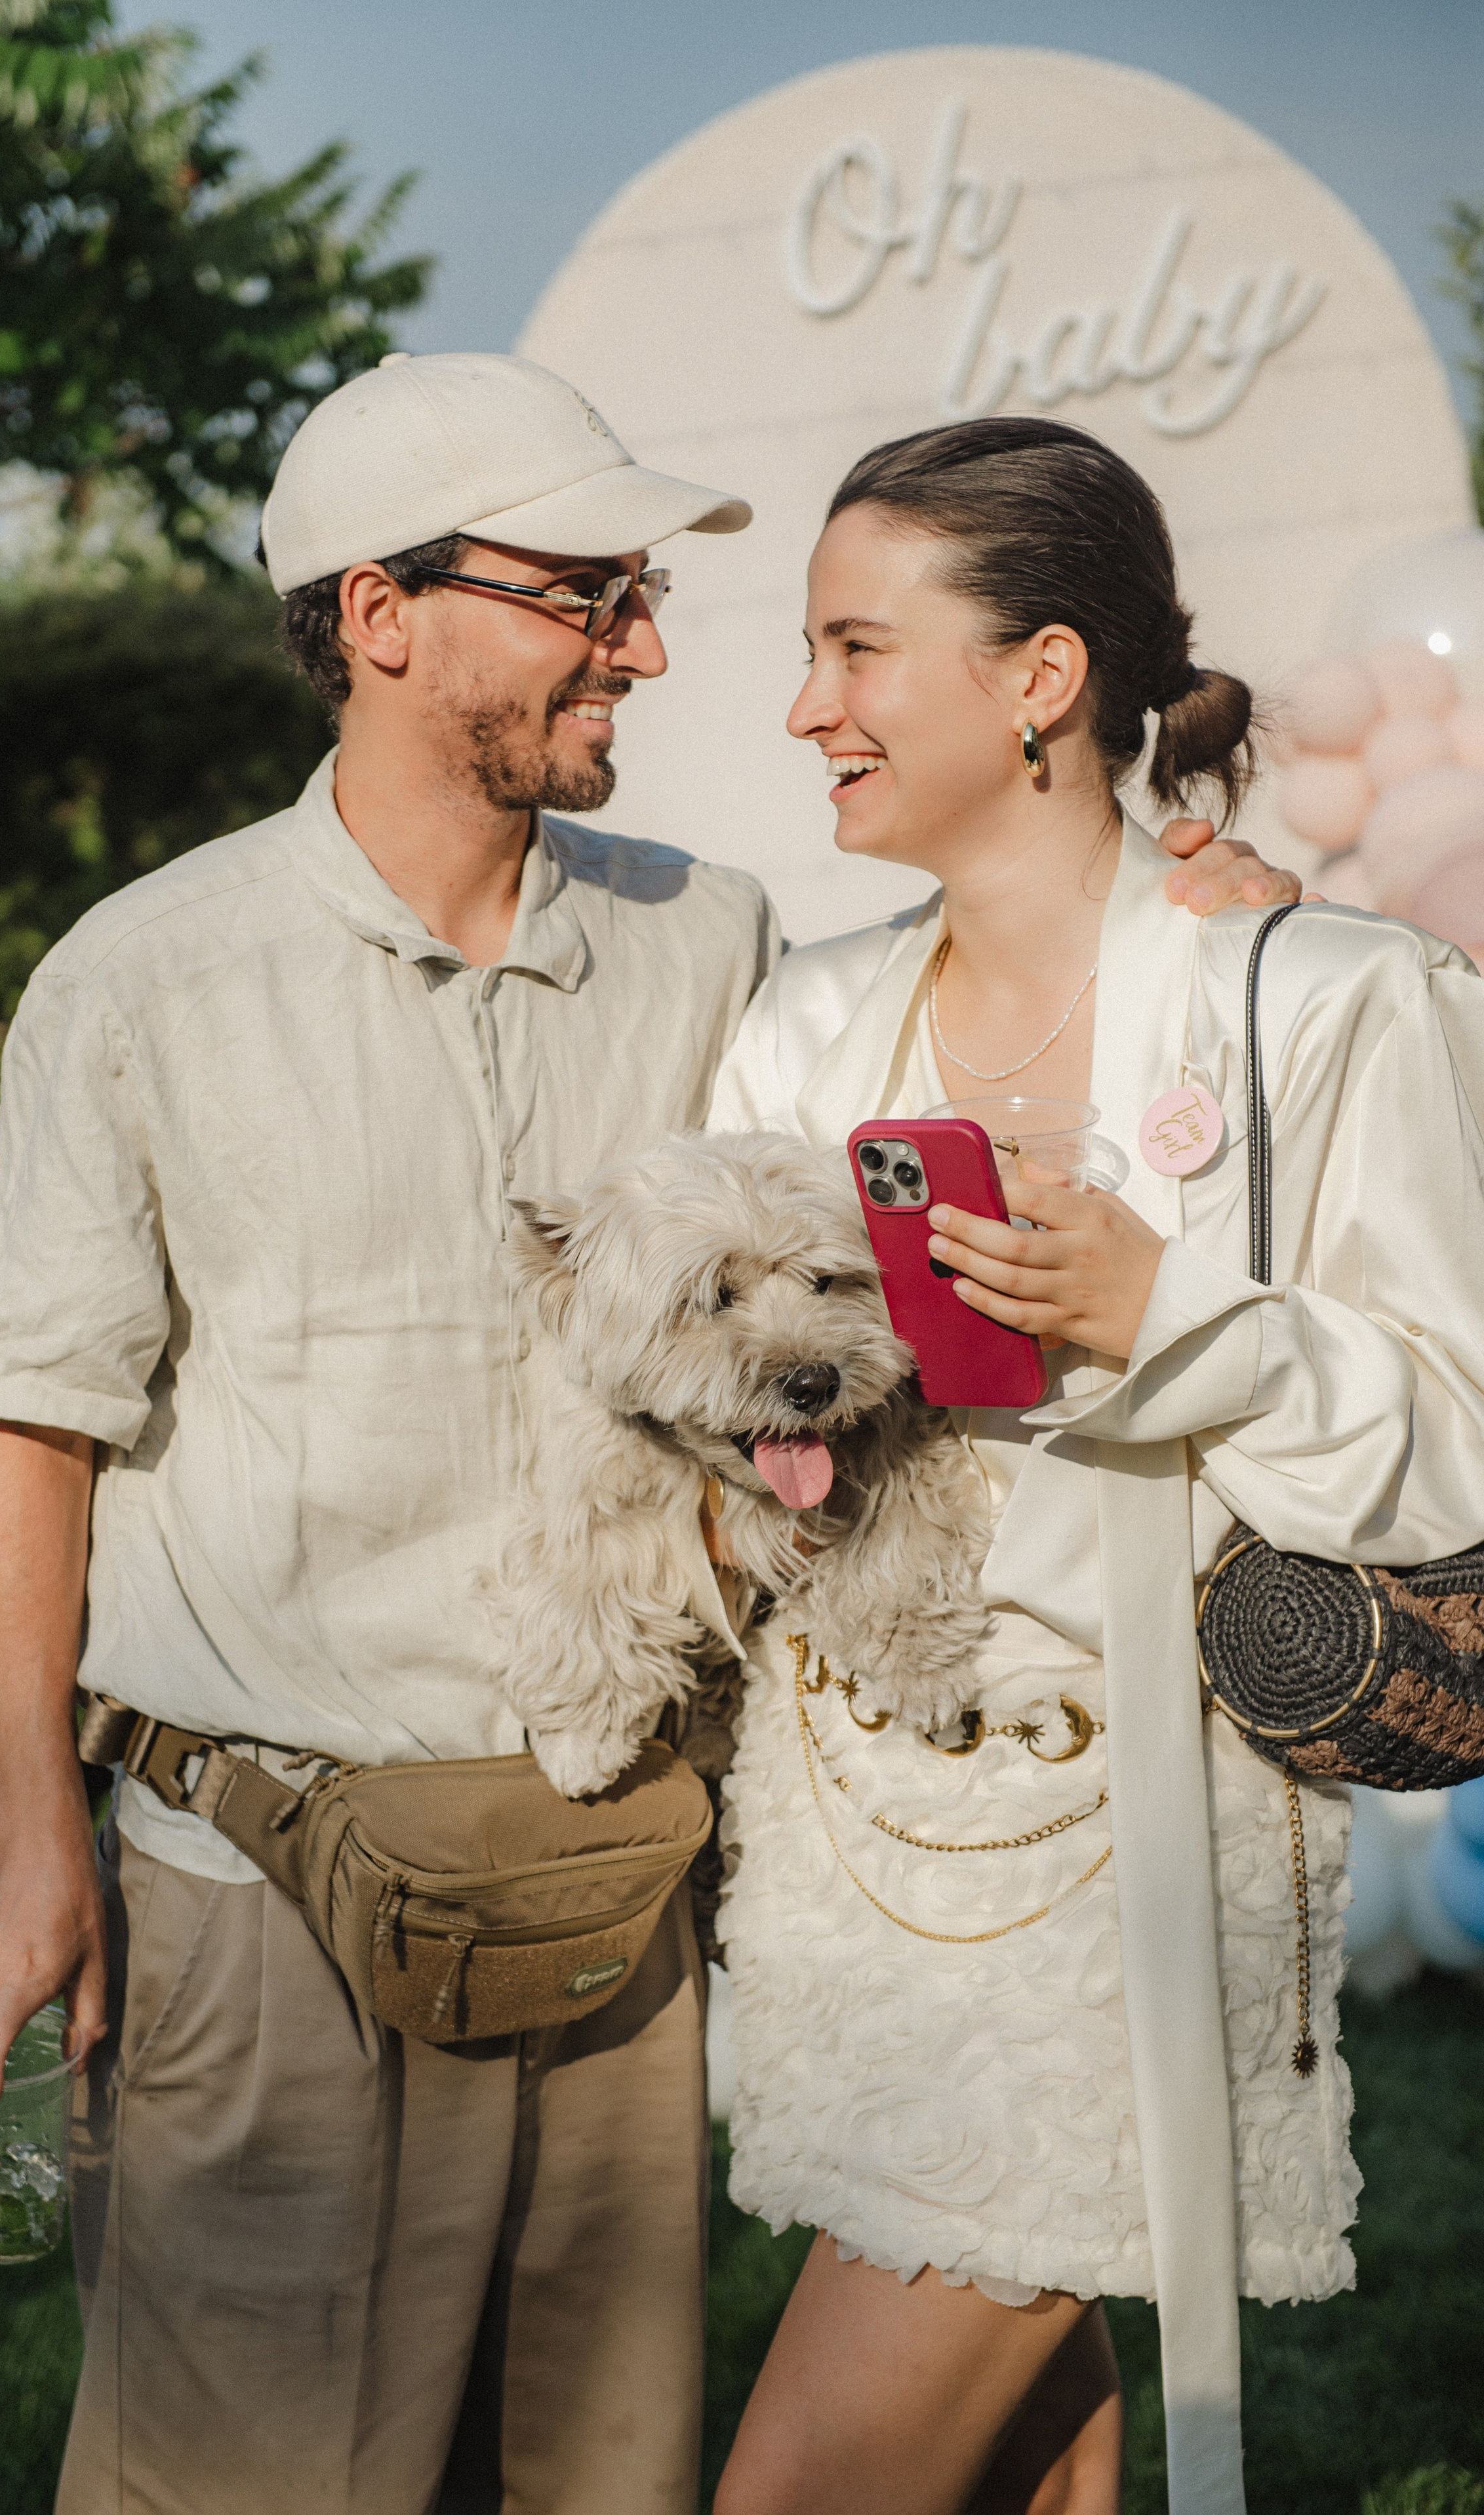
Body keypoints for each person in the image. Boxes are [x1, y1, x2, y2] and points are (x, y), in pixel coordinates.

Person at [0, 356, 1298, 2515]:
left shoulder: (704, 937)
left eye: (639, 593)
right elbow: (27, 1426)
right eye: (584, 593)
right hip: (265, 1888)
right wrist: (28, 1843)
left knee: (602, 2477)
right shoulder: (140, 981)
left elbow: (953, 1024)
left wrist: (1183, 900)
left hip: (624, 1861)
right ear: (381, 618)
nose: (645, 643)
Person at [706, 415, 1484, 2515]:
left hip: (1131, 1856)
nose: (807, 706)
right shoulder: (805, 1031)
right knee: (1024, 2462)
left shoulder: (1328, 1003)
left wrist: (1166, 1311)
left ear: (1041, 677)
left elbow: (1456, 1438)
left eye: (859, 647)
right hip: (855, 1846)